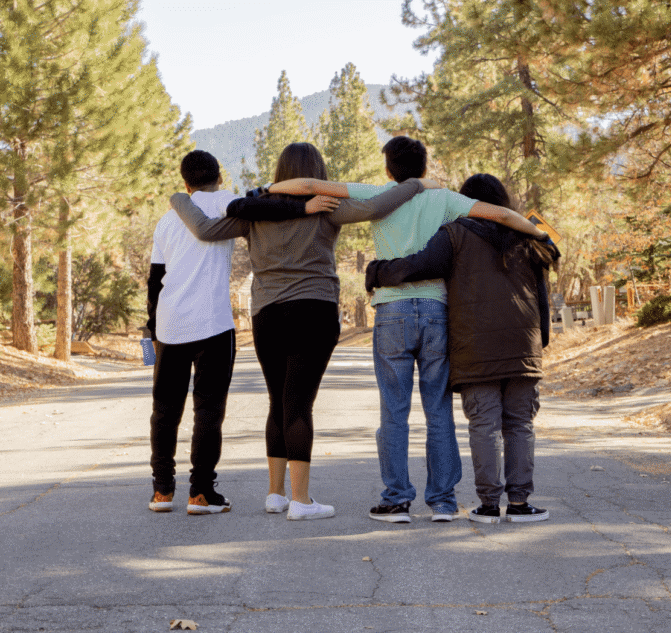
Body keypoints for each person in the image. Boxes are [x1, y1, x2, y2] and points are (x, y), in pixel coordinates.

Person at [266, 137, 547, 524]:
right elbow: (500, 215)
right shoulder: (446, 198)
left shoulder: (379, 194)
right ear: (425, 167)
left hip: (392, 312)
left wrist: (268, 190)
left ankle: (396, 501)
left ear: (388, 170)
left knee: (394, 412)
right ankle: (443, 502)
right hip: (436, 311)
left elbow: (309, 186)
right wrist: (539, 235)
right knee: (438, 411)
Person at [170, 142, 431, 521]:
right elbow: (376, 205)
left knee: (279, 401)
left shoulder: (256, 211)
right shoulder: (326, 205)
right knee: (299, 404)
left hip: (267, 314)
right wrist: (416, 185)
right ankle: (302, 500)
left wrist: (181, 197)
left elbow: (205, 229)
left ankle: (276, 494)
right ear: (316, 173)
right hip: (314, 310)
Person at [146, 150, 333, 514]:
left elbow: (154, 281)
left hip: (168, 325)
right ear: (220, 175)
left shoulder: (168, 220)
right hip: (212, 324)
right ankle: (200, 493)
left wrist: (151, 331)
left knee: (164, 410)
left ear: (185, 182)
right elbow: (268, 209)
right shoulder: (227, 200)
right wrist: (305, 208)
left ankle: (162, 491)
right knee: (208, 410)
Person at [365, 174, 560, 524]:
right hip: (523, 347)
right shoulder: (529, 235)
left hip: (475, 348)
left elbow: (417, 265)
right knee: (520, 424)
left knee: (483, 425)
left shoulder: (455, 235)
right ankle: (519, 504)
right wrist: (540, 339)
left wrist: (377, 271)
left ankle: (487, 506)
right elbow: (544, 286)